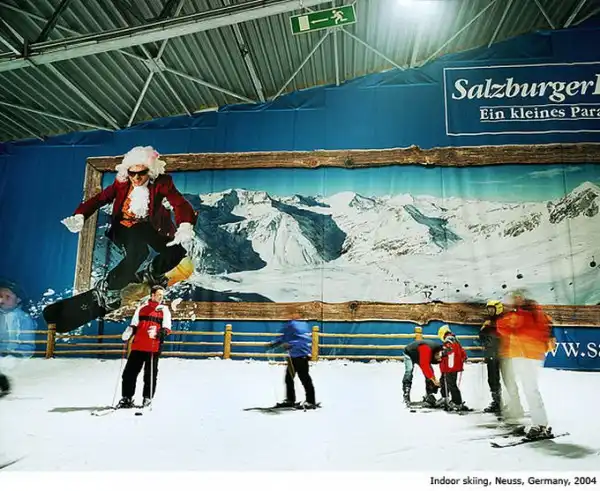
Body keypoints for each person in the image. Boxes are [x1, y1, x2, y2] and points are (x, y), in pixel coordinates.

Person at [61, 146, 197, 308]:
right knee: (138, 253)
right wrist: (80, 215)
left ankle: (153, 272)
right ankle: (110, 287)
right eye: (132, 173)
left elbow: (180, 203)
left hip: (149, 226)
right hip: (124, 226)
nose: (136, 178)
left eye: (142, 173)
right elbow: (99, 199)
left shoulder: (162, 183)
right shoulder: (122, 184)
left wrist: (185, 224)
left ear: (150, 171)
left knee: (177, 251)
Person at [496, 290, 553, 439]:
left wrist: (507, 317)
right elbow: (503, 328)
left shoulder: (526, 313)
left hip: (528, 355)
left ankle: (540, 425)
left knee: (530, 389)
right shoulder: (525, 313)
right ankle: (520, 419)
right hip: (521, 355)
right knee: (519, 387)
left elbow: (504, 326)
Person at [116, 285, 172, 408]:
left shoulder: (164, 310)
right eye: (159, 295)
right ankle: (127, 398)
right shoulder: (141, 308)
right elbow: (134, 324)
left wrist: (157, 333)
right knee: (129, 373)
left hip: (153, 347)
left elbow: (167, 329)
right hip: (138, 346)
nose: (161, 297)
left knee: (150, 375)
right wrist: (129, 331)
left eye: (162, 295)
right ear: (152, 295)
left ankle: (147, 398)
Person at [266, 309, 317, 409]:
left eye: (293, 313)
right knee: (289, 378)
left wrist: (290, 344)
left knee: (304, 378)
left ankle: (310, 401)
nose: (290, 315)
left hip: (300, 355)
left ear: (298, 315)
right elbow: (285, 337)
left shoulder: (299, 326)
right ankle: (290, 400)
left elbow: (303, 339)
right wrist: (274, 344)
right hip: (293, 356)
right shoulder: (291, 325)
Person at [0, 279, 36, 398]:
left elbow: (28, 344)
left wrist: (18, 356)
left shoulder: (23, 318)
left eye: (7, 297)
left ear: (18, 299)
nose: (1, 300)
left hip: (16, 358)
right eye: (0, 296)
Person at [402, 337, 444, 407]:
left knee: (430, 371)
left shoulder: (438, 350)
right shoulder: (426, 349)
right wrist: (434, 380)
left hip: (420, 354)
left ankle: (429, 394)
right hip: (409, 353)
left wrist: (434, 379)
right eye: (437, 356)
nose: (439, 358)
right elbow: (424, 365)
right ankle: (406, 394)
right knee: (409, 371)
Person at [479, 299, 504, 414]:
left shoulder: (503, 321)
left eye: (492, 309)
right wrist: (484, 329)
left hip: (500, 355)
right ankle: (497, 401)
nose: (490, 312)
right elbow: (481, 337)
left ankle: (506, 402)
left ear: (497, 309)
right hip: (491, 354)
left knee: (505, 380)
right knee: (492, 379)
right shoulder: (488, 322)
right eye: (488, 309)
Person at [437, 325, 469, 411]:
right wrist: (464, 357)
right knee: (448, 382)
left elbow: (448, 350)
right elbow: (461, 350)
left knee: (451, 384)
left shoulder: (449, 340)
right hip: (454, 366)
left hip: (450, 366)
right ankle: (449, 399)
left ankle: (457, 402)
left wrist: (441, 354)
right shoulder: (455, 340)